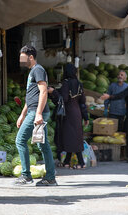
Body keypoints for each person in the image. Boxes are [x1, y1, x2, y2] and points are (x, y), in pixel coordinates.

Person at [15, 45, 57, 186]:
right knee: (43, 146)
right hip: (34, 111)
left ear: (31, 57)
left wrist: (38, 113)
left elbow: (43, 91)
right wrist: (22, 114)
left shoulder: (38, 70)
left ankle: (26, 175)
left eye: (23, 58)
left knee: (20, 140)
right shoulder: (33, 71)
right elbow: (32, 96)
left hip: (36, 113)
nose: (21, 61)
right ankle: (50, 177)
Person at [48, 64, 89, 169]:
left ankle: (81, 163)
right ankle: (66, 161)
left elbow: (64, 99)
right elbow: (83, 102)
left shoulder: (66, 83)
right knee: (74, 136)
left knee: (70, 137)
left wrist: (54, 92)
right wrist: (86, 117)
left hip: (68, 114)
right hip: (77, 113)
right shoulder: (79, 84)